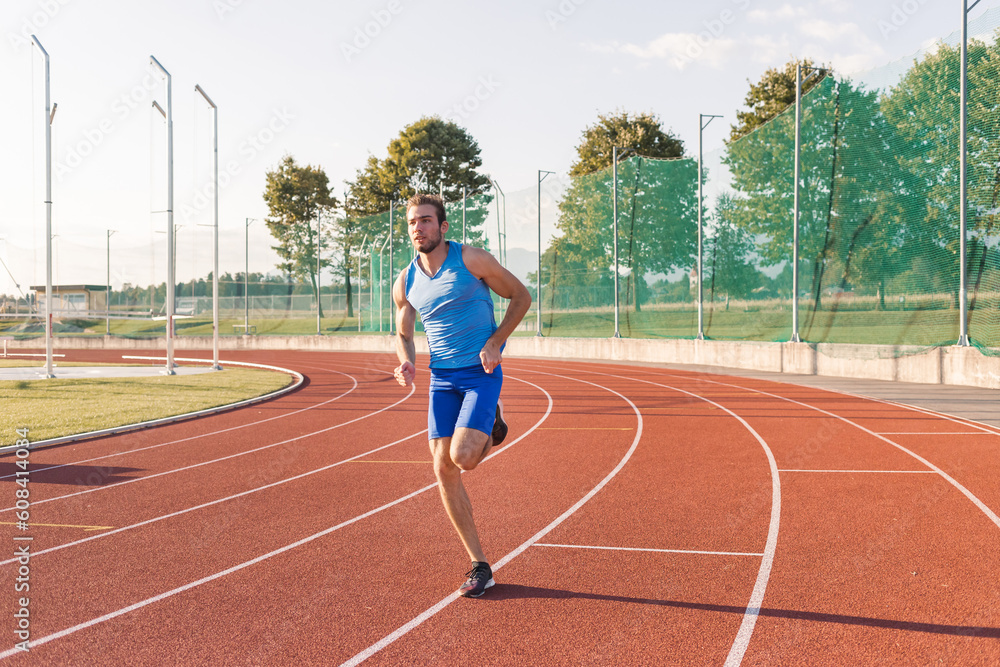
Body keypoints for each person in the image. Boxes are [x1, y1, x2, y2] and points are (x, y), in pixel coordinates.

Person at [392, 193, 531, 598]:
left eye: (426, 221)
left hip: (481, 371)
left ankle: (492, 418)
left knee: (464, 458)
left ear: (443, 226)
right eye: (413, 222)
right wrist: (407, 361)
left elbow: (521, 297)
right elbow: (403, 331)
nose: (419, 228)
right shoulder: (407, 280)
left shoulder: (473, 260)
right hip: (442, 379)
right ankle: (479, 565)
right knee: (442, 469)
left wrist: (495, 342)